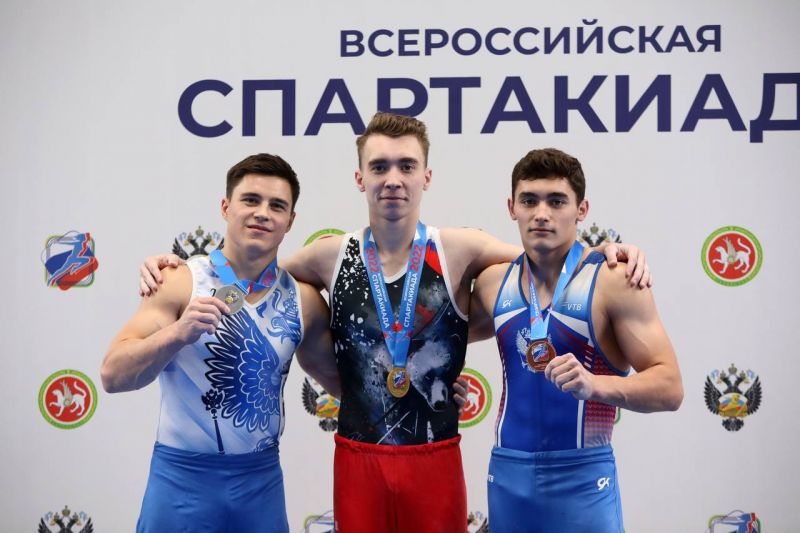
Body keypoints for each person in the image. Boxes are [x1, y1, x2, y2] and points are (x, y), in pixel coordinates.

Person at [138, 113, 652, 533]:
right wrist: (181, 266)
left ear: (426, 176)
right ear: (360, 177)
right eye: (379, 166)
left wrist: (606, 253)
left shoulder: (460, 249)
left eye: (407, 166)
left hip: (435, 456)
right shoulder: (328, 256)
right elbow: (254, 273)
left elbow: (544, 258)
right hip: (357, 456)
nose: (393, 179)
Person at [101, 154, 339, 533]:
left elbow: (350, 388)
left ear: (290, 221)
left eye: (277, 205)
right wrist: (177, 334)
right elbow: (113, 375)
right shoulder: (180, 281)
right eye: (251, 200)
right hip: (181, 480)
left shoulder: (303, 301)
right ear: (226, 207)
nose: (262, 213)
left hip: (260, 485)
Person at [468, 148, 683, 533]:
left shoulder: (614, 282)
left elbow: (670, 388)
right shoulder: (491, 283)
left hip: (583, 480)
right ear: (511, 207)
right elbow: (431, 339)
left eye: (557, 201)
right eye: (529, 201)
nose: (541, 213)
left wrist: (595, 385)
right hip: (507, 477)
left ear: (581, 210)